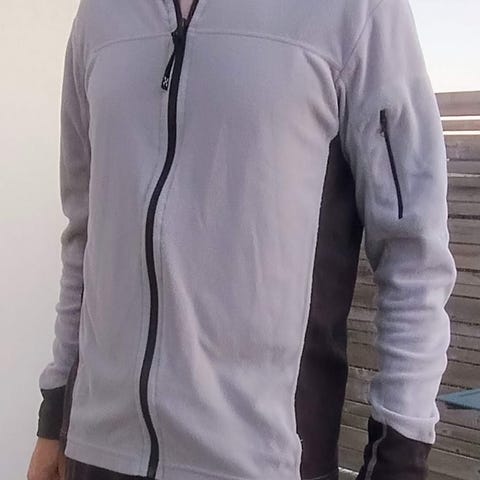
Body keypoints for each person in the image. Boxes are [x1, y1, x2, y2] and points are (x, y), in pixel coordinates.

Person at [27, 0, 457, 479]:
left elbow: (413, 252)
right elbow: (86, 234)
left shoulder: (355, 10)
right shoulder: (99, 16)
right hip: (96, 450)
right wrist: (55, 413)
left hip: (265, 460)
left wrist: (400, 454)